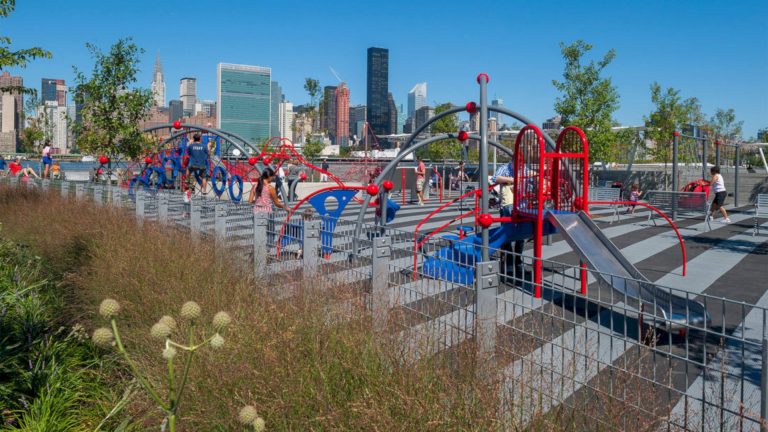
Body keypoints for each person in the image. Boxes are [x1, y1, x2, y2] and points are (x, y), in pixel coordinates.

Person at [492, 160, 524, 281]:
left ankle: (517, 261)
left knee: (520, 236)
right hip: (508, 204)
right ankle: (509, 263)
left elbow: (530, 179)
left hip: (521, 205)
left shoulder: (524, 168)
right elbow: (495, 178)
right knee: (507, 235)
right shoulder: (505, 168)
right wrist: (511, 180)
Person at [249, 167, 291, 247]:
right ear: (269, 177)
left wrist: (259, 202)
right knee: (270, 232)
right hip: (267, 212)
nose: (273, 178)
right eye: (272, 177)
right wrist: (284, 207)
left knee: (258, 231)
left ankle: (258, 248)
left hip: (256, 211)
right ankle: (267, 250)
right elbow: (277, 203)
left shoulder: (255, 186)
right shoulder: (270, 188)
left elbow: (250, 201)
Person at [185, 133, 209, 202]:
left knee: (188, 172)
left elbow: (188, 153)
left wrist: (190, 144)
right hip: (202, 165)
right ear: (200, 138)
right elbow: (208, 153)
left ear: (194, 139)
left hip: (193, 164)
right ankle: (204, 190)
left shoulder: (191, 146)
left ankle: (190, 187)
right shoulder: (204, 146)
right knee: (204, 177)